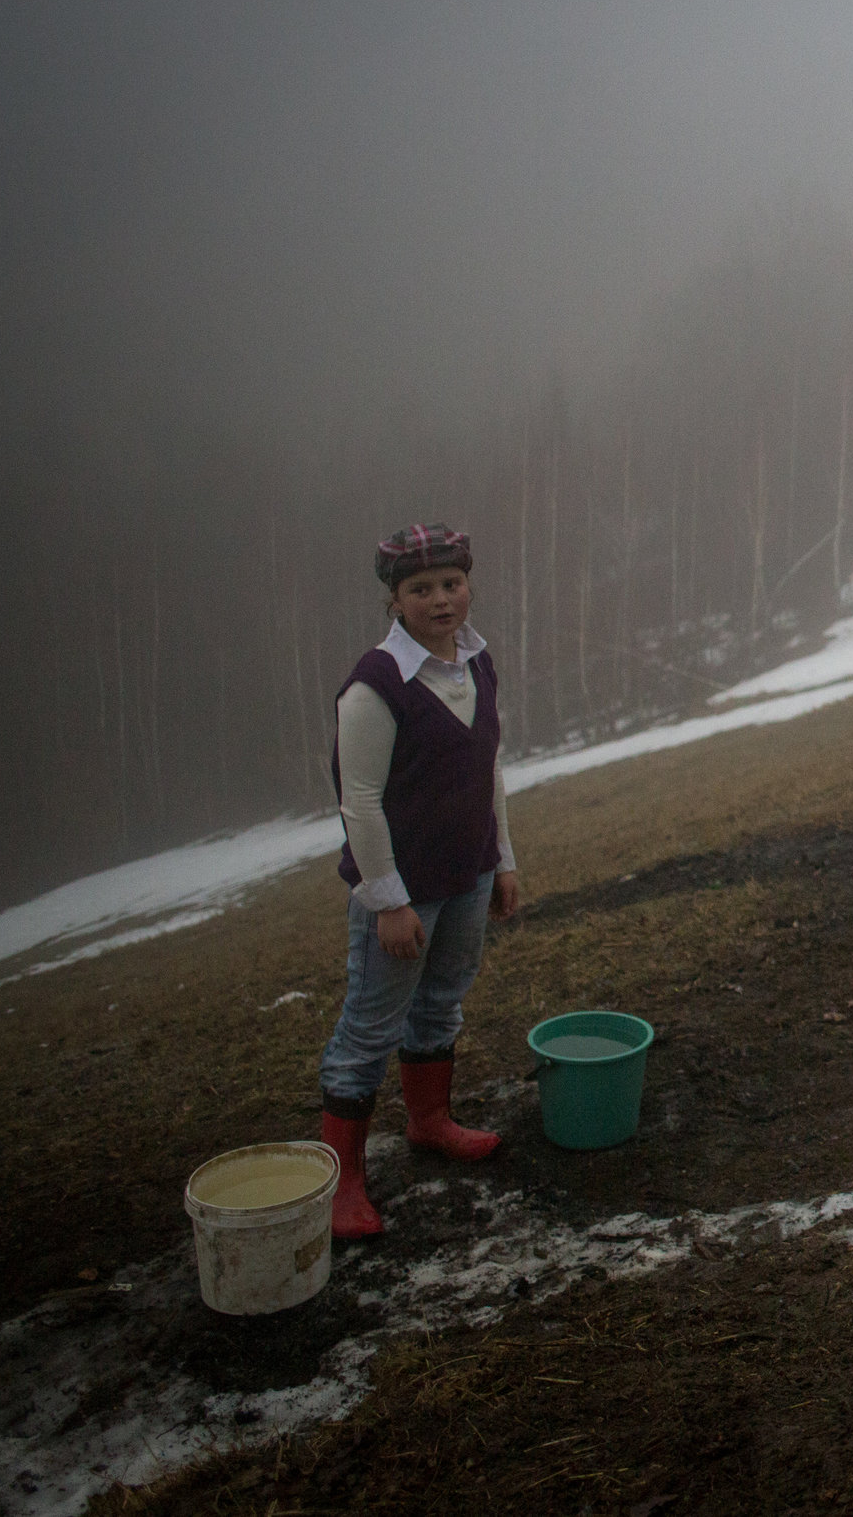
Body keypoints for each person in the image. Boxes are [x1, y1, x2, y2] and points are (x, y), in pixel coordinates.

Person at [318, 524, 521, 1240]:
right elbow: (359, 801)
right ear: (395, 600)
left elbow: (487, 765)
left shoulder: (479, 661)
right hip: (403, 892)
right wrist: (389, 900)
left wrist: (503, 858)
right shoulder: (374, 687)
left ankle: (430, 1120)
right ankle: (342, 1182)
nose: (441, 599)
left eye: (452, 583)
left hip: (467, 873)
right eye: (421, 589)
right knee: (369, 1026)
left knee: (442, 1000)